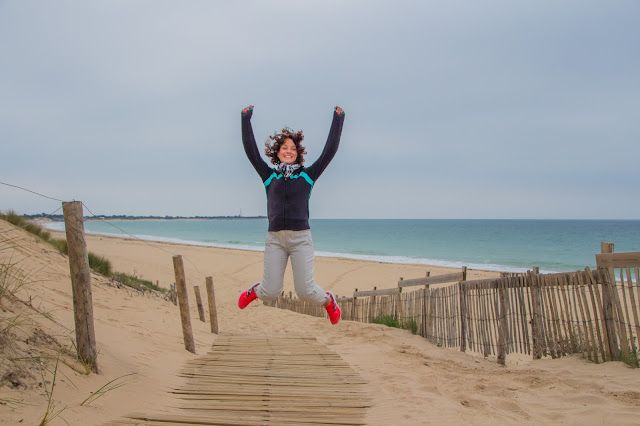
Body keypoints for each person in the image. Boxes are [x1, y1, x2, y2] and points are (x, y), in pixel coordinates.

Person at [238, 104, 345, 325]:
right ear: (277, 153)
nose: (289, 151)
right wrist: (245, 119)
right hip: (275, 240)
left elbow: (329, 152)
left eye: (293, 148)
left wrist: (338, 120)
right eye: (284, 148)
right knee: (269, 292)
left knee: (305, 292)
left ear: (298, 154)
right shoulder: (268, 176)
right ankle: (254, 292)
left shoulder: (308, 176)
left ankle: (329, 301)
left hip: (300, 240)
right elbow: (251, 151)